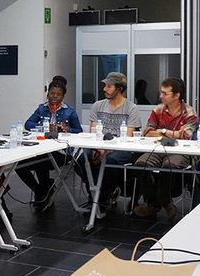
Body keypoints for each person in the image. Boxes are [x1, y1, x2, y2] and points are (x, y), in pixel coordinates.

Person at [133, 77, 198, 220]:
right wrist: (173, 134)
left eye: (165, 93)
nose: (161, 96)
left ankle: (162, 200)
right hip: (157, 148)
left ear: (177, 95)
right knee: (140, 164)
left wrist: (162, 131)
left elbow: (185, 136)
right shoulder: (158, 109)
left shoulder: (189, 112)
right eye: (161, 92)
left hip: (179, 151)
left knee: (169, 165)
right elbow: (148, 132)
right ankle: (156, 202)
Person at [78, 72, 141, 209]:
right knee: (82, 160)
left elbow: (128, 137)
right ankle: (95, 194)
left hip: (121, 148)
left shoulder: (131, 108)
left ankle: (104, 198)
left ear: (120, 89)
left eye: (109, 86)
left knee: (110, 161)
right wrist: (97, 149)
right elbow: (94, 132)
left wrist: (105, 151)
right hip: (99, 146)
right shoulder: (97, 106)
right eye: (105, 85)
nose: (104, 89)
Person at [19, 77, 81, 207]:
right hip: (42, 148)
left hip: (62, 152)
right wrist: (43, 127)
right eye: (52, 93)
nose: (55, 96)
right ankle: (40, 190)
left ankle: (44, 189)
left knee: (42, 160)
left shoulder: (69, 111)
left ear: (63, 97)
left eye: (58, 94)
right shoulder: (42, 108)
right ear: (48, 94)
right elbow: (28, 124)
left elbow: (79, 131)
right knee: (19, 164)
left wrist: (67, 129)